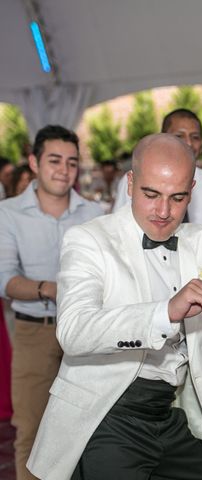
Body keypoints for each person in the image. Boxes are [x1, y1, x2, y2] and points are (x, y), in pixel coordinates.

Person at [27, 133, 202, 480]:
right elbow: (74, 331)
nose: (163, 211)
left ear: (192, 189)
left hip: (168, 413)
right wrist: (165, 311)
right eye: (151, 194)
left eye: (178, 198)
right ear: (130, 183)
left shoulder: (198, 240)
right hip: (108, 414)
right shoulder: (89, 240)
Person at [0, 125, 104, 480]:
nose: (64, 170)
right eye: (54, 160)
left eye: (72, 163)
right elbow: (5, 280)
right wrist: (50, 288)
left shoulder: (95, 214)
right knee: (30, 431)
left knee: (90, 432)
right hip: (35, 332)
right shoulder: (9, 213)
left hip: (89, 335)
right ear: (34, 162)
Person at [114, 108, 202, 408]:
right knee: (147, 374)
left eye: (195, 137)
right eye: (179, 135)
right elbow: (120, 231)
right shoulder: (136, 179)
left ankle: (200, 434)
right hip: (151, 291)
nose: (188, 142)